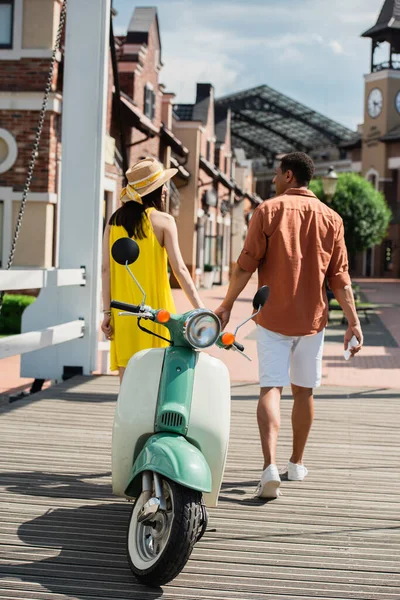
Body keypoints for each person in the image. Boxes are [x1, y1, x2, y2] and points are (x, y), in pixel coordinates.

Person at [215, 152, 363, 499]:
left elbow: (245, 265)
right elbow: (341, 279)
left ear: (289, 175)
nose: (273, 181)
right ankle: (296, 464)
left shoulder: (266, 211)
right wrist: (353, 322)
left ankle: (269, 467)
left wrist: (225, 304)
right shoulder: (332, 219)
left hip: (272, 318)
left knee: (271, 388)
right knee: (304, 391)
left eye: (277, 174)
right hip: (312, 319)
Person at [102, 157, 204, 381]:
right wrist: (201, 310)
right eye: (163, 184)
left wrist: (107, 313)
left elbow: (105, 270)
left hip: (123, 312)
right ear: (155, 190)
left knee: (128, 385)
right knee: (158, 381)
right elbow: (180, 270)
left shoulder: (113, 221)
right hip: (157, 314)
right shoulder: (164, 221)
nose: (166, 189)